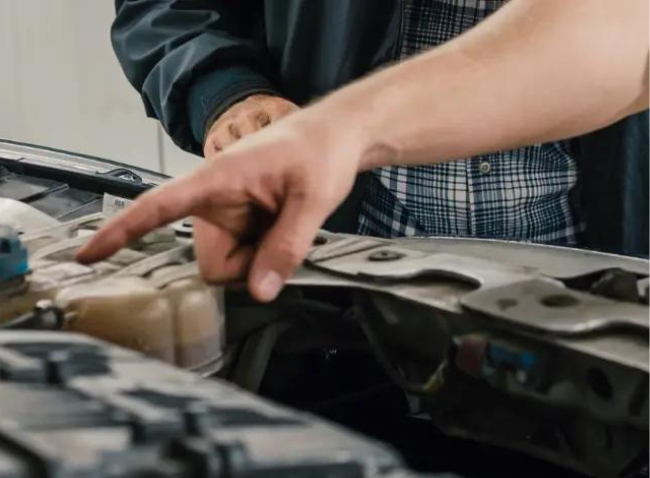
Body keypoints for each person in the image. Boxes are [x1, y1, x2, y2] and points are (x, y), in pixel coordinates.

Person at [80, 0, 649, 302]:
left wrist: (338, 131)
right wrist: (224, 91)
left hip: (608, 303)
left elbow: (623, 35)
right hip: (336, 292)